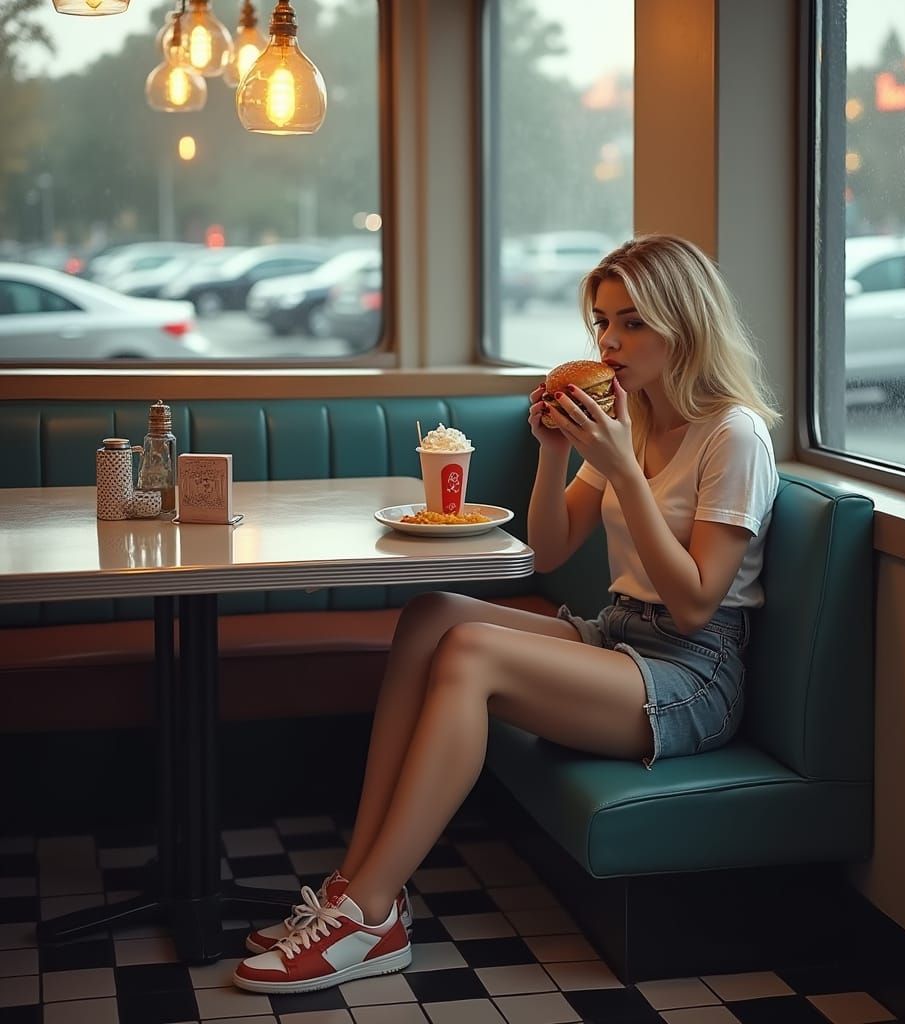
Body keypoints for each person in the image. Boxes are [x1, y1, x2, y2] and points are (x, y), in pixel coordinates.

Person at [232, 233, 780, 994]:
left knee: (473, 651)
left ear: (683, 326)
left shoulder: (735, 434)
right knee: (430, 616)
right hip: (619, 635)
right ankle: (354, 881)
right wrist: (555, 451)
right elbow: (550, 551)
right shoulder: (633, 417)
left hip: (692, 675)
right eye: (601, 321)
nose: (610, 341)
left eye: (632, 323)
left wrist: (621, 467)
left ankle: (371, 915)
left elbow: (692, 605)